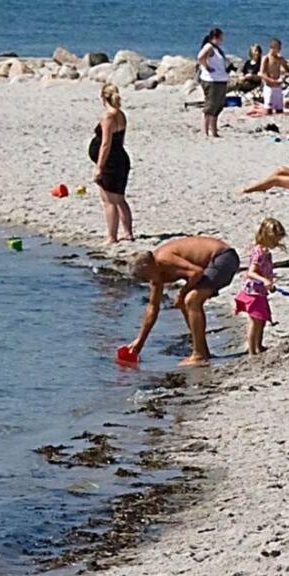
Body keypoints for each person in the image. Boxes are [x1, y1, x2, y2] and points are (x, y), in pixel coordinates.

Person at [123, 236, 240, 366]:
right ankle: (202, 349)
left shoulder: (164, 259)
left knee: (192, 300)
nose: (148, 281)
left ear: (149, 265)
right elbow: (152, 308)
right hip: (213, 264)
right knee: (187, 303)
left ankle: (199, 354)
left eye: (146, 277)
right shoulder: (155, 273)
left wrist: (181, 293)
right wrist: (140, 341)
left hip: (224, 257)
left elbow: (196, 272)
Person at [234, 218, 286, 355]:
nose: (277, 243)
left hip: (261, 291)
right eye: (275, 240)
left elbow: (264, 270)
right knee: (255, 321)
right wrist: (264, 280)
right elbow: (251, 273)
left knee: (262, 320)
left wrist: (270, 279)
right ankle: (252, 351)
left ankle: (259, 345)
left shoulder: (266, 252)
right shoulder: (258, 252)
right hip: (253, 292)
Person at [89, 82, 133, 244]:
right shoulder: (120, 114)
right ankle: (128, 232)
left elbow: (106, 143)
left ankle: (111, 236)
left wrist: (99, 167)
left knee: (109, 200)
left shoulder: (108, 116)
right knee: (120, 199)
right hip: (120, 158)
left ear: (103, 98)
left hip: (112, 161)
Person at [197, 28, 230, 137]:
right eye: (220, 38)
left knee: (217, 106)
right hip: (212, 80)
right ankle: (205, 131)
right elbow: (200, 57)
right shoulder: (209, 46)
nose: (221, 40)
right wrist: (207, 67)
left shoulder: (217, 49)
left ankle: (214, 131)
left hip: (220, 80)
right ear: (214, 38)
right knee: (210, 106)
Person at [260, 38, 289, 114]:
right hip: (269, 86)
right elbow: (261, 73)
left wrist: (283, 77)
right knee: (268, 110)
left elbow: (288, 71)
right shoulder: (266, 58)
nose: (280, 49)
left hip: (278, 87)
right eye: (278, 47)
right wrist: (271, 80)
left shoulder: (280, 59)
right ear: (273, 47)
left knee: (279, 110)